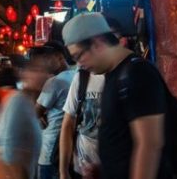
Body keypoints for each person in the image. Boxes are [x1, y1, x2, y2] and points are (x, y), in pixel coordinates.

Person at [63, 13, 169, 179]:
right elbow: (125, 139)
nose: (79, 64)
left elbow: (149, 144)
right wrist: (103, 168)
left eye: (79, 55)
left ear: (97, 43)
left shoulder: (137, 73)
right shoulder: (113, 75)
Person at [0, 54, 47, 179]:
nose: (42, 75)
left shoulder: (28, 103)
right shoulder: (18, 101)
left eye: (44, 71)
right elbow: (8, 149)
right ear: (24, 74)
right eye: (35, 70)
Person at [35, 46, 76, 179]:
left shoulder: (54, 82)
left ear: (59, 57)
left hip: (50, 146)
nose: (45, 64)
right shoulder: (76, 75)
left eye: (47, 59)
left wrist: (39, 115)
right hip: (69, 147)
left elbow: (35, 112)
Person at [59, 67, 105, 179]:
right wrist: (63, 171)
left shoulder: (123, 75)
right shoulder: (82, 78)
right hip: (82, 168)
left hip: (114, 168)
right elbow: (68, 124)